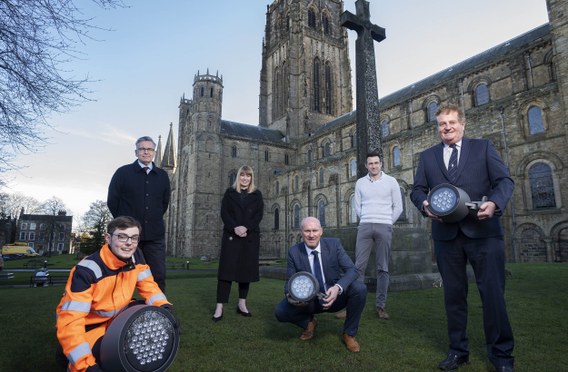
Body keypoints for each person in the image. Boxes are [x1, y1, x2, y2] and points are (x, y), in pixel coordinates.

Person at [410, 103, 515, 372]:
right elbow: (418, 190)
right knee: (454, 297)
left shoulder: (483, 148)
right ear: (437, 128)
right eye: (442, 124)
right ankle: (458, 351)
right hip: (446, 236)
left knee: (492, 295)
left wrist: (494, 204)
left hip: (484, 233)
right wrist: (424, 205)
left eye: (451, 123)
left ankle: (501, 356)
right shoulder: (428, 157)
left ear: (462, 124)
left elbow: (504, 182)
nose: (446, 128)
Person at [55, 216, 173, 372]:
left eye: (134, 238)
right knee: (100, 363)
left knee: (146, 318)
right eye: (122, 236)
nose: (129, 243)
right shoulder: (86, 271)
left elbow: (149, 285)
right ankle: (70, 361)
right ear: (108, 238)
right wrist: (86, 366)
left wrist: (164, 310)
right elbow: (71, 322)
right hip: (89, 327)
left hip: (118, 319)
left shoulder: (136, 255)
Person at [274, 217, 367, 353]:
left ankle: (349, 334)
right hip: (309, 302)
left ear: (321, 231)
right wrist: (291, 296)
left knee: (359, 288)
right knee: (280, 312)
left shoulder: (334, 245)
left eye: (314, 230)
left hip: (335, 297)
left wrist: (337, 288)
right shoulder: (294, 252)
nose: (311, 235)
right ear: (301, 232)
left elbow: (352, 270)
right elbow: (289, 282)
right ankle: (309, 323)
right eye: (307, 231)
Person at [107, 136, 171, 292]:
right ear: (136, 152)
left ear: (154, 152)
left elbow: (164, 203)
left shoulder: (162, 176)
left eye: (149, 149)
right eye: (142, 149)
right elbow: (112, 201)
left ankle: (158, 310)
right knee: (124, 275)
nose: (146, 152)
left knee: (158, 275)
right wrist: (124, 224)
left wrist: (152, 219)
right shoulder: (123, 173)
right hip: (127, 237)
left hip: (154, 236)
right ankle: (121, 312)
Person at [346, 152, 402, 320]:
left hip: (384, 226)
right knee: (359, 267)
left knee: (382, 267)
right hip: (365, 226)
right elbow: (357, 206)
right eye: (370, 163)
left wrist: (387, 222)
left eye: (376, 163)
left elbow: (398, 207)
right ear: (366, 165)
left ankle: (381, 306)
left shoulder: (391, 182)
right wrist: (365, 218)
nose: (374, 166)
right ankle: (356, 306)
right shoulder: (360, 183)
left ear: (381, 163)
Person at [212, 165, 264, 321]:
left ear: (251, 178)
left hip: (250, 238)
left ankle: (242, 304)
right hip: (231, 236)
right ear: (238, 177)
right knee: (225, 272)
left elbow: (258, 215)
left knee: (245, 272)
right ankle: (219, 307)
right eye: (242, 175)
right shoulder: (229, 193)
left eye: (248, 176)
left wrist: (246, 227)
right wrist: (234, 227)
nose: (245, 178)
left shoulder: (257, 194)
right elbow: (224, 213)